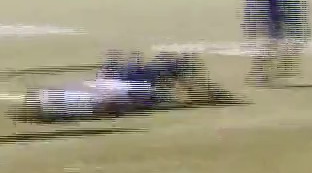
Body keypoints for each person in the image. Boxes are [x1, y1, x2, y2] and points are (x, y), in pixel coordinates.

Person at [10, 52, 231, 122]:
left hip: (107, 88)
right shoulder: (131, 89)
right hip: (107, 89)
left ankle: (176, 72)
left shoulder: (124, 87)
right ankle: (176, 72)